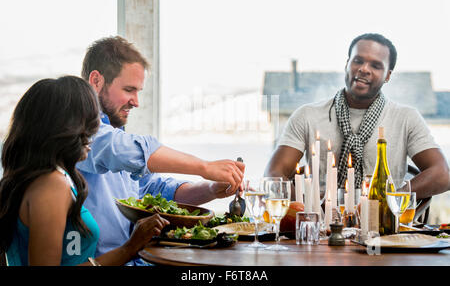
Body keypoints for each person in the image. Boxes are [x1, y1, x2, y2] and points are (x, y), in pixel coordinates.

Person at [76, 36, 245, 265]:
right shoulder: (80, 131)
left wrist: (212, 189)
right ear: (96, 80)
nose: (136, 102)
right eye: (129, 89)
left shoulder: (115, 132)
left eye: (139, 91)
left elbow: (157, 191)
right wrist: (204, 167)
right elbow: (123, 149)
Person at [0, 76, 170, 266]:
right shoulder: (51, 184)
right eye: (88, 124)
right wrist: (129, 248)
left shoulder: (44, 178)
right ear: (62, 128)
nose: (94, 133)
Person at [264, 33, 449, 200]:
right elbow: (274, 173)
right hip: (320, 227)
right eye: (358, 61)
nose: (364, 69)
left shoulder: (406, 118)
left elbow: (442, 174)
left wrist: (391, 200)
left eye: (376, 65)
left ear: (387, 76)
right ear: (347, 64)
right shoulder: (307, 115)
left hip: (383, 230)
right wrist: (307, 208)